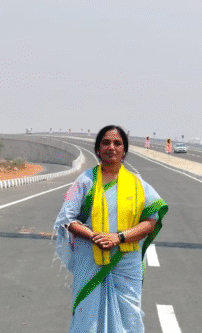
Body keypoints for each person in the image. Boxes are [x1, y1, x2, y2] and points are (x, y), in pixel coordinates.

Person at [54, 125, 169, 332]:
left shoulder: (137, 185)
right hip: (90, 259)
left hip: (126, 264)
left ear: (124, 150)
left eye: (117, 143)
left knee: (128, 317)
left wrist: (118, 237)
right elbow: (67, 219)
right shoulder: (84, 181)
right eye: (105, 142)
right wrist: (94, 236)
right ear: (98, 149)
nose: (111, 147)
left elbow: (150, 222)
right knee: (87, 316)